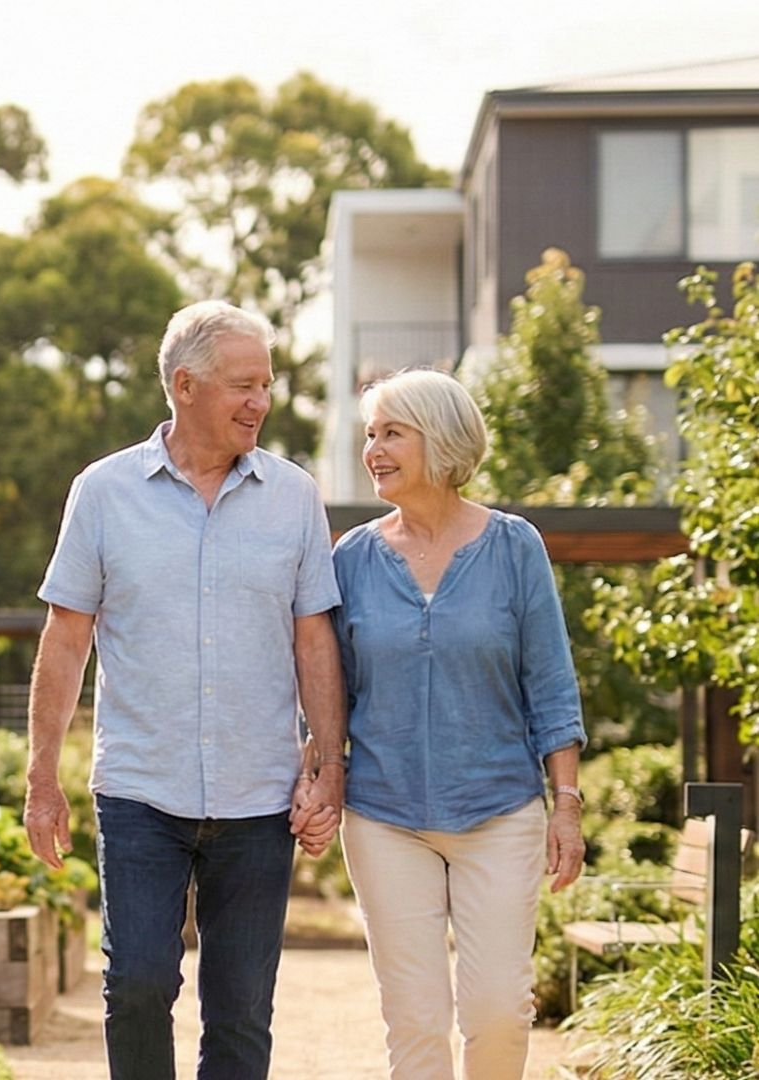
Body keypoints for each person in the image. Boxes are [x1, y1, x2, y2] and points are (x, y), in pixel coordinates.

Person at [24, 300, 346, 1080]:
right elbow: (66, 637)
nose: (260, 402)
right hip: (141, 790)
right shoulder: (103, 493)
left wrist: (329, 766)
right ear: (185, 385)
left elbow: (314, 640)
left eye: (266, 384)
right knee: (137, 984)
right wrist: (42, 776)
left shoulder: (294, 496)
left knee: (240, 1011)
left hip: (258, 795)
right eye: (243, 384)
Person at [328, 368, 585, 1080]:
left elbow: (552, 686)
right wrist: (319, 773)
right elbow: (327, 693)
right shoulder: (350, 559)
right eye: (370, 435)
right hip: (385, 816)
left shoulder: (514, 547)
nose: (373, 449)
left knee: (498, 1010)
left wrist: (566, 805)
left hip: (499, 810)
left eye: (391, 433)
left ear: (438, 440)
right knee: (413, 1019)